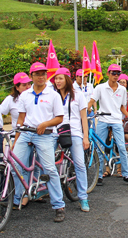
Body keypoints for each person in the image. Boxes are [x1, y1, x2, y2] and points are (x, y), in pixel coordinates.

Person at [14, 62, 66, 221]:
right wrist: (16, 137)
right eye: (37, 74)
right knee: (15, 165)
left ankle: (58, 205)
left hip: (46, 135)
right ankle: (17, 198)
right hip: (26, 133)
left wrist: (44, 124)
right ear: (31, 76)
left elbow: (59, 118)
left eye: (43, 74)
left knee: (49, 169)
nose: (41, 77)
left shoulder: (53, 95)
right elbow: (21, 118)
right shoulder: (25, 95)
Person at [89, 64, 128, 186]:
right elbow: (92, 101)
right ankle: (99, 175)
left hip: (116, 120)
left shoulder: (122, 89)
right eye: (113, 73)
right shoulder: (100, 87)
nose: (116, 75)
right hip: (103, 118)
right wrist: (84, 112)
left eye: (118, 73)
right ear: (108, 73)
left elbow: (121, 107)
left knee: (121, 146)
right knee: (99, 147)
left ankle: (126, 174)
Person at [54, 68, 90, 212]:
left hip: (74, 132)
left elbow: (83, 118)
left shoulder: (78, 95)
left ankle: (83, 197)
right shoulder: (52, 95)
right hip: (55, 132)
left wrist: (85, 137)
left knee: (80, 164)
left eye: (60, 78)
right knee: (46, 162)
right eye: (56, 78)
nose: (57, 81)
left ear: (67, 79)